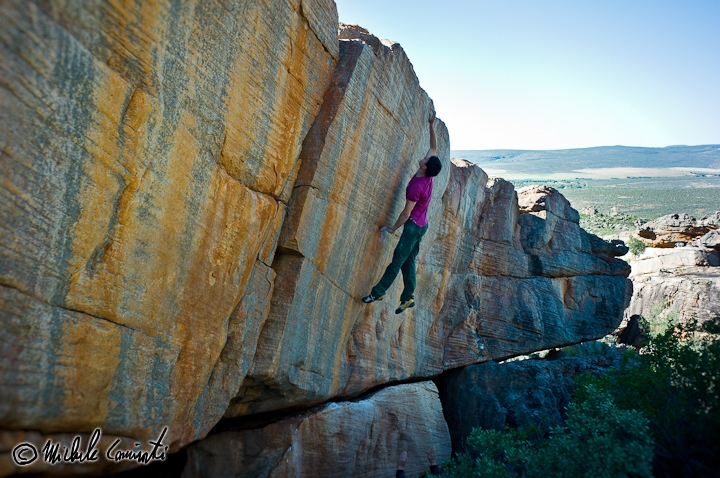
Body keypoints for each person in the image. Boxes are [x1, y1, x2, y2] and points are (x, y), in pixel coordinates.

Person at [362, 110, 442, 314]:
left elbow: (406, 214)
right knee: (408, 261)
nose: (423, 158)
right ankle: (408, 298)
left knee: (397, 261)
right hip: (423, 225)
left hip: (413, 227)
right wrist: (431, 124)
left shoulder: (416, 186)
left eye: (425, 160)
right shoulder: (426, 173)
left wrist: (392, 229)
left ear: (425, 167)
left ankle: (377, 293)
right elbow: (434, 147)